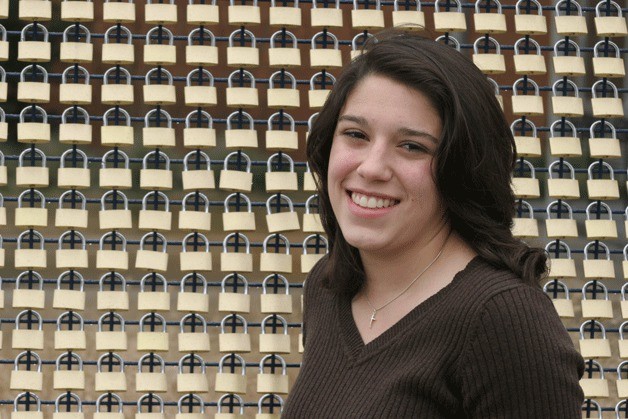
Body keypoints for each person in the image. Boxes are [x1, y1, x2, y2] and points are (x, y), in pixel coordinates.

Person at [282, 32, 584, 418]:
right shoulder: (328, 286)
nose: (372, 168)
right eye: (355, 135)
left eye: (412, 146)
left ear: (460, 168)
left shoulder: (501, 319)